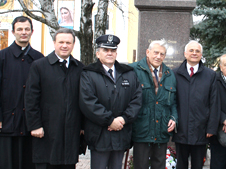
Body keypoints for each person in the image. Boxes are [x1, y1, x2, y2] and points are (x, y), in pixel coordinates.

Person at [79, 35, 142, 169]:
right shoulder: (88, 73)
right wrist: (110, 121)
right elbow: (88, 102)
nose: (109, 53)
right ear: (98, 53)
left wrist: (124, 119)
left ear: (116, 53)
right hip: (99, 134)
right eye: (105, 50)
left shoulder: (129, 73)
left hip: (121, 132)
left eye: (112, 50)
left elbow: (136, 99)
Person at [25, 28, 84, 169]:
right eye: (61, 42)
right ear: (54, 43)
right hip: (46, 130)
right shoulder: (39, 66)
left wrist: (82, 126)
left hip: (71, 130)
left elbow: (83, 100)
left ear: (73, 45)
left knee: (68, 164)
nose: (64, 45)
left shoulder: (79, 68)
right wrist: (35, 125)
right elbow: (31, 98)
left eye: (68, 42)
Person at [0, 16, 43, 169]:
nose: (23, 32)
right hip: (7, 122)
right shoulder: (2, 57)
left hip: (31, 124)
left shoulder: (39, 59)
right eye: (19, 29)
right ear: (13, 32)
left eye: (26, 29)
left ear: (32, 31)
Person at [130, 39, 177, 169]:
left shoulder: (169, 74)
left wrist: (174, 118)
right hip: (141, 129)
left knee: (159, 165)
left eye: (162, 54)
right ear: (148, 52)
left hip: (161, 130)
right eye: (156, 52)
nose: (158, 56)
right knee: (141, 165)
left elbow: (173, 102)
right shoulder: (133, 70)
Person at [173, 40, 219, 169]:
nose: (194, 53)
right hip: (181, 128)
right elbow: (171, 101)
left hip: (201, 129)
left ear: (201, 55)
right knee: (181, 164)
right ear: (185, 54)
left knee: (198, 165)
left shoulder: (210, 75)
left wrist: (211, 128)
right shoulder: (175, 74)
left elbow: (214, 102)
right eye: (191, 50)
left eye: (197, 51)